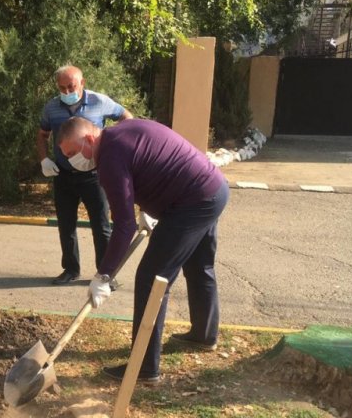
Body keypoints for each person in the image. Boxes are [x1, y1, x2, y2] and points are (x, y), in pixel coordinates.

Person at [57, 116, 229, 384]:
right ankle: (203, 335)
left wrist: (104, 275)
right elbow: (152, 162)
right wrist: (148, 209)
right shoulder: (122, 130)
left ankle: (144, 367)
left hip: (191, 202)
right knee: (198, 264)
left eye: (72, 152)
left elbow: (123, 225)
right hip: (213, 188)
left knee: (152, 278)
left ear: (89, 139)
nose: (72, 160)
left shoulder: (109, 158)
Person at [37, 65, 133, 285]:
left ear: (82, 83)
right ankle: (70, 269)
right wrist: (44, 159)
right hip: (63, 174)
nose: (67, 92)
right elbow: (42, 135)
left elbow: (126, 117)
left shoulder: (100, 102)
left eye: (71, 86)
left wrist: (116, 145)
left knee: (101, 225)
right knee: (66, 224)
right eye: (62, 88)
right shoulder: (51, 108)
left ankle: (106, 273)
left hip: (94, 175)